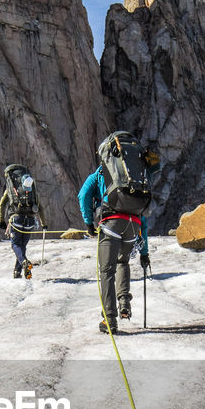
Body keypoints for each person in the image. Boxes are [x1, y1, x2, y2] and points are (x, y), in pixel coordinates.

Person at [78, 137, 154, 333]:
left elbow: (83, 195)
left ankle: (109, 319)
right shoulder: (134, 180)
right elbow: (142, 218)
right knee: (122, 262)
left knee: (106, 270)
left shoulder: (99, 174)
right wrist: (144, 252)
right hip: (133, 225)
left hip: (111, 223)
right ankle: (124, 304)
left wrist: (88, 223)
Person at [0, 169, 47, 278]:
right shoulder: (32, 191)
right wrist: (44, 224)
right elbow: (40, 208)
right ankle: (17, 272)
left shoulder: (11, 189)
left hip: (16, 221)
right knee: (22, 246)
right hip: (30, 222)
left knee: (15, 245)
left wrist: (1, 220)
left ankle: (24, 262)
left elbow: (2, 204)